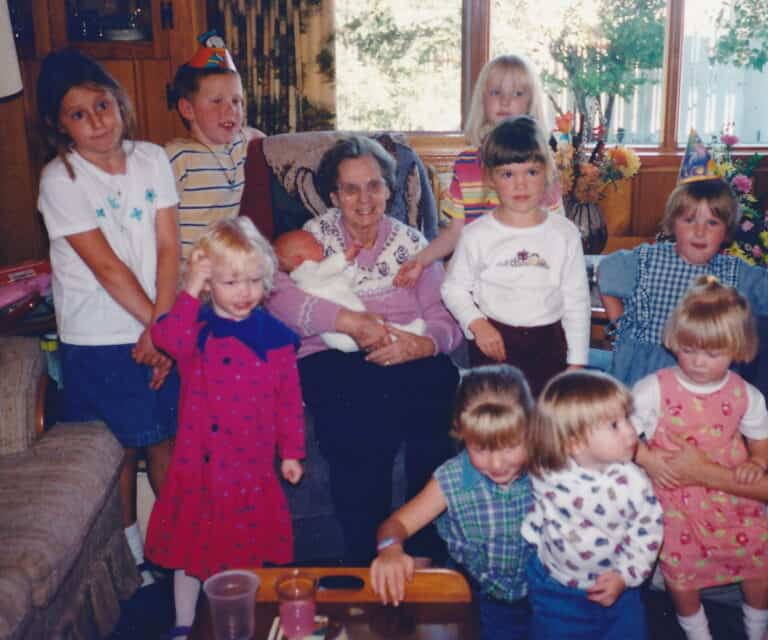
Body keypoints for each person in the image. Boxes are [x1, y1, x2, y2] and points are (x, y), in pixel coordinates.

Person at [267, 135, 464, 563]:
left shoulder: (414, 245)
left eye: (374, 185)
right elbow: (274, 297)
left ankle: (422, 547)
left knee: (440, 378)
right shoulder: (308, 241)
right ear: (334, 195)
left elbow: (447, 318)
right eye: (351, 189)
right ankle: (366, 554)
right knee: (359, 414)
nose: (364, 199)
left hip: (404, 349)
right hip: (333, 354)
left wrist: (424, 343)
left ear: (389, 190)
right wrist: (348, 322)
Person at [36, 48, 180, 587]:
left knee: (165, 439)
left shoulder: (152, 159)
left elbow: (169, 247)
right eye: (79, 114)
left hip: (156, 322)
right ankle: (131, 558)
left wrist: (165, 329)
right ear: (59, 125)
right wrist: (158, 328)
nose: (97, 121)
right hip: (99, 335)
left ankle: (180, 548)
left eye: (103, 105)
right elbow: (107, 268)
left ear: (120, 103)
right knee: (115, 450)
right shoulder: (61, 179)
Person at [145, 217, 305, 640]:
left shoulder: (275, 338)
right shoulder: (194, 329)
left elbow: (288, 401)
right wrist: (189, 288)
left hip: (249, 467)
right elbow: (165, 338)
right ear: (210, 282)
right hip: (199, 467)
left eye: (254, 281)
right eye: (232, 282)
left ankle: (240, 621)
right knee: (190, 553)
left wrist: (291, 452)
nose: (245, 292)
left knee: (243, 553)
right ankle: (182, 623)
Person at [631, 276, 768, 640]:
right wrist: (649, 460)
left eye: (713, 354)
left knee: (758, 562)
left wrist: (759, 462)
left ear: (737, 348)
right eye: (690, 350)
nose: (699, 363)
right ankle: (697, 632)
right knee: (681, 571)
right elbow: (624, 435)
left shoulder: (746, 394)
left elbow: (761, 439)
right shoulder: (654, 388)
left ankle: (757, 629)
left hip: (733, 496)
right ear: (676, 341)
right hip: (677, 498)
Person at [371, 364, 534, 640]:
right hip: (477, 590)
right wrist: (389, 551)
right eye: (481, 448)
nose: (496, 464)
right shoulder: (451, 478)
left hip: (546, 590)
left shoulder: (551, 464)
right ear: (461, 433)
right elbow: (395, 524)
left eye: (509, 446)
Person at [598, 136, 768, 388]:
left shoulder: (734, 273)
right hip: (645, 371)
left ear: (726, 231)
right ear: (672, 223)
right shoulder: (648, 260)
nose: (700, 233)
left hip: (708, 374)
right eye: (689, 221)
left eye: (712, 223)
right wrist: (619, 324)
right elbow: (605, 271)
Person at [441, 116, 591, 396]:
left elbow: (576, 300)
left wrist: (578, 361)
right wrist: (477, 323)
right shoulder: (477, 234)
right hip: (494, 342)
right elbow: (453, 288)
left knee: (543, 427)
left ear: (547, 173)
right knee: (497, 427)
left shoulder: (564, 234)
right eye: (508, 174)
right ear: (491, 178)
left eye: (531, 173)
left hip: (549, 344)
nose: (520, 184)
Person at [394, 53, 563, 288]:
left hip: (529, 278)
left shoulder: (540, 165)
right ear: (482, 100)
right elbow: (455, 233)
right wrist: (420, 260)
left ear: (530, 102)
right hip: (478, 280)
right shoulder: (465, 165)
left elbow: (557, 232)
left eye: (516, 93)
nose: (505, 101)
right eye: (495, 92)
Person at [522, 370, 663, 640]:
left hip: (617, 588)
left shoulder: (632, 483)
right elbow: (531, 435)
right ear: (573, 443)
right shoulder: (545, 470)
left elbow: (648, 534)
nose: (631, 431)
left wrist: (626, 576)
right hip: (555, 589)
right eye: (614, 425)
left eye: (627, 419)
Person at [165, 32, 265, 258]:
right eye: (217, 101)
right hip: (186, 271)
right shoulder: (177, 157)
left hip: (226, 266)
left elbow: (265, 142)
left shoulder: (240, 145)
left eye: (236, 101)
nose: (230, 110)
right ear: (188, 109)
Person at [274, 229, 426, 352]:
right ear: (298, 260)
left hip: (355, 320)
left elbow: (344, 281)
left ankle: (404, 333)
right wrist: (344, 257)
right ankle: (407, 333)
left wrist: (350, 267)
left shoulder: (320, 275)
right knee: (377, 331)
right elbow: (327, 269)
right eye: (314, 244)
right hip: (341, 334)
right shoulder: (303, 273)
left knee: (377, 328)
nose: (320, 244)